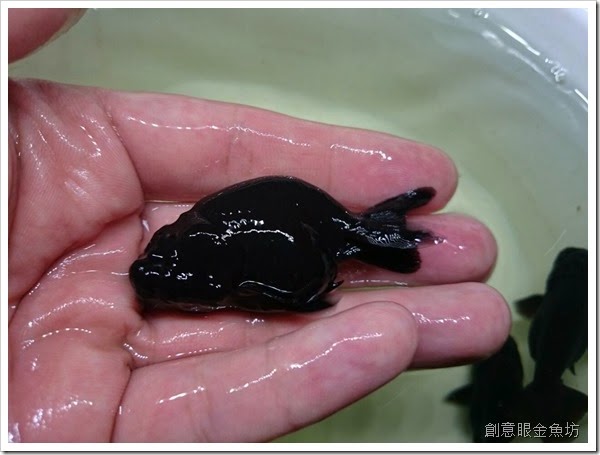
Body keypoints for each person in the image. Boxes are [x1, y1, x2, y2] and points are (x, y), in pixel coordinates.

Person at [7, 9, 510, 443]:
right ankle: (370, 236)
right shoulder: (197, 257)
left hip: (300, 227)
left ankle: (370, 236)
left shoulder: (207, 249)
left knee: (345, 250)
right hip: (290, 237)